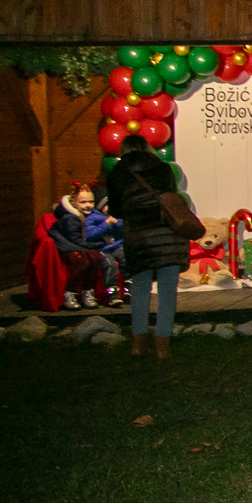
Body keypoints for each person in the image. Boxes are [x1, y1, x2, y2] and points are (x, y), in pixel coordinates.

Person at [108, 137, 189, 357]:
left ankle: (138, 344)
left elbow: (115, 209)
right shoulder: (162, 169)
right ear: (147, 148)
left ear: (123, 150)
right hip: (167, 236)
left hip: (139, 238)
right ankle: (162, 346)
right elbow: (172, 198)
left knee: (141, 290)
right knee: (167, 293)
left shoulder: (117, 173)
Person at [48, 181, 123, 308]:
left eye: (91, 202)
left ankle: (87, 292)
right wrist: (102, 242)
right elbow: (77, 241)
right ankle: (70, 293)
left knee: (94, 259)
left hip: (80, 247)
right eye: (83, 202)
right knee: (83, 262)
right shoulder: (70, 219)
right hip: (68, 248)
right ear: (73, 203)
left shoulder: (88, 216)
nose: (88, 205)